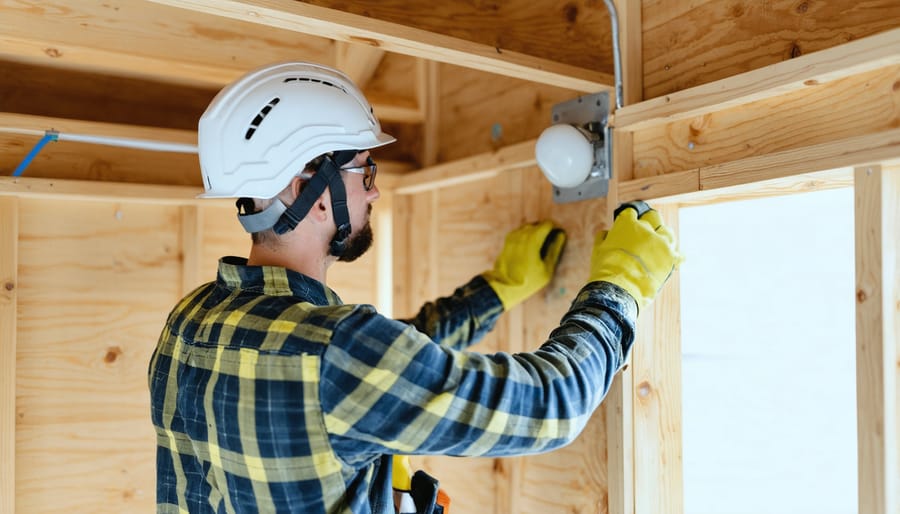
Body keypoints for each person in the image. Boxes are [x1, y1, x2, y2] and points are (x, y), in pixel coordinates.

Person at [149, 61, 681, 514]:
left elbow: (381, 353)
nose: (375, 189)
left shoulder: (192, 319)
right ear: (307, 189)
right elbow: (553, 405)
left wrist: (494, 292)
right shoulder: (334, 354)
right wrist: (619, 287)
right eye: (364, 170)